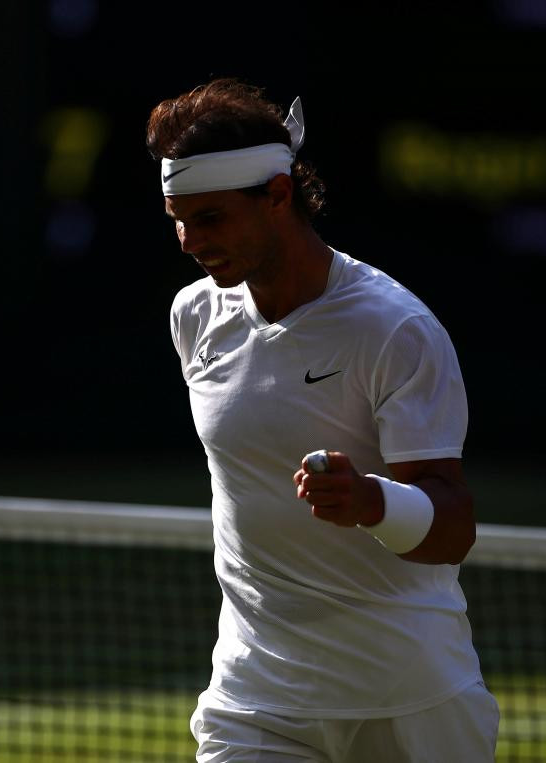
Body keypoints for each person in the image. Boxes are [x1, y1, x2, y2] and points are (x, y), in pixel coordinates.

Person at [148, 79, 498, 761]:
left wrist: (372, 501)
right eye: (176, 217)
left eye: (211, 218)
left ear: (278, 196)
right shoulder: (193, 317)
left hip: (404, 697)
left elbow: (453, 524)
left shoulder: (395, 329)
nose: (189, 241)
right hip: (256, 695)